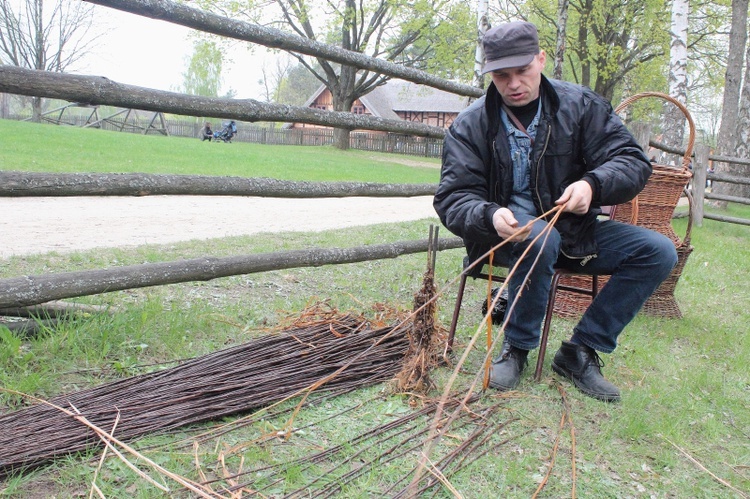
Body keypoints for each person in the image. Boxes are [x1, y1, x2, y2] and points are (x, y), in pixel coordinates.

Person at [433, 21, 678, 402]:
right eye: (501, 75)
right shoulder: (470, 125)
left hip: (576, 235)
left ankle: (579, 351)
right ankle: (516, 349)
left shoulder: (580, 106)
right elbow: (453, 197)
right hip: (502, 241)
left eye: (523, 71)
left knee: (658, 251)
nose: (514, 83)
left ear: (541, 59)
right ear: (490, 75)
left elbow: (631, 161)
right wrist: (490, 216)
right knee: (539, 238)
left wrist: (591, 185)